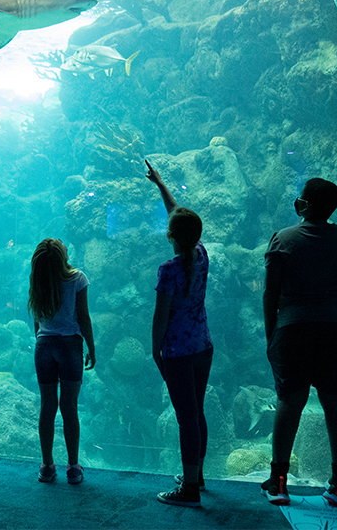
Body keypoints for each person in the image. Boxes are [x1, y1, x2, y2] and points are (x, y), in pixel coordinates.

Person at [262, 178, 337, 507]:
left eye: (300, 199)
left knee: (290, 401)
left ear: (304, 206)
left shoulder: (283, 240)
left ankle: (279, 481)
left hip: (293, 329)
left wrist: (272, 336)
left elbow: (271, 294)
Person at [146, 160, 214, 508]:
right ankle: (196, 474)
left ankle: (188, 490)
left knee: (186, 419)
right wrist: (160, 185)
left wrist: (155, 349)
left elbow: (161, 317)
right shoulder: (201, 254)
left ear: (169, 236)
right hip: (202, 346)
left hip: (177, 351)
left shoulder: (168, 269)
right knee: (196, 412)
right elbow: (180, 217)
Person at [28, 238, 96, 484]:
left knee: (47, 407)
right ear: (62, 255)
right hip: (69, 346)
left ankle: (47, 466)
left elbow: (36, 319)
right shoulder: (77, 278)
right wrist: (91, 346)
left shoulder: (38, 279)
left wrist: (41, 338)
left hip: (44, 345)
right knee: (70, 408)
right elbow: (83, 316)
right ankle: (73, 467)